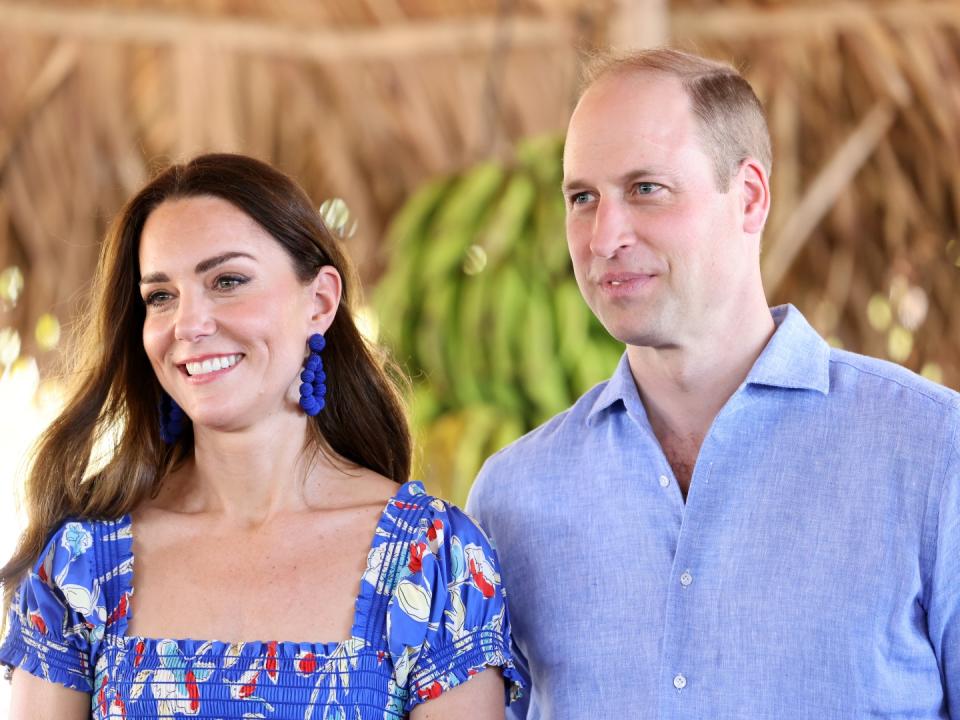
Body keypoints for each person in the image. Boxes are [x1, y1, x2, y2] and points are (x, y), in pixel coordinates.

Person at [467, 48, 959, 718]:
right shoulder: (511, 497)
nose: (604, 235)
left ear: (749, 196)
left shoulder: (933, 453)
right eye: (582, 198)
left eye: (646, 189)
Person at [0, 153, 522, 719]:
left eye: (227, 281)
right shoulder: (83, 567)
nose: (189, 324)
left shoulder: (433, 559)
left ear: (319, 302)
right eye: (161, 296)